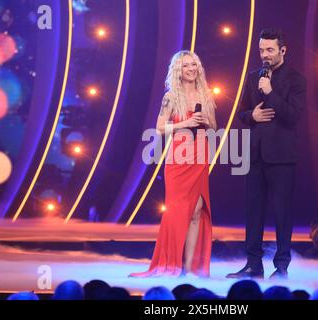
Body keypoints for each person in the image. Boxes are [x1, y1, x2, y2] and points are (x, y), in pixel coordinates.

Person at [227, 28, 306, 279]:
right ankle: (253, 264)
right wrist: (253, 116)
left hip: (282, 156)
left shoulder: (296, 79)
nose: (264, 55)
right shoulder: (252, 77)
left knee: (282, 212)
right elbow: (241, 111)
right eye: (261, 50)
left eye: (269, 50)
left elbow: (293, 115)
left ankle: (281, 266)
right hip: (254, 155)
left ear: (283, 50)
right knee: (253, 211)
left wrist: (270, 92)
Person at [130, 51, 217, 278]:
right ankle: (170, 263)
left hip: (200, 153)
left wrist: (207, 121)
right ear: (178, 70)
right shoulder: (171, 97)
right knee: (177, 211)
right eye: (186, 65)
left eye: (194, 65)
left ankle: (188, 267)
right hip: (179, 155)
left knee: (197, 211)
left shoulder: (205, 94)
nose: (191, 69)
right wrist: (186, 122)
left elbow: (214, 128)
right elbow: (159, 127)